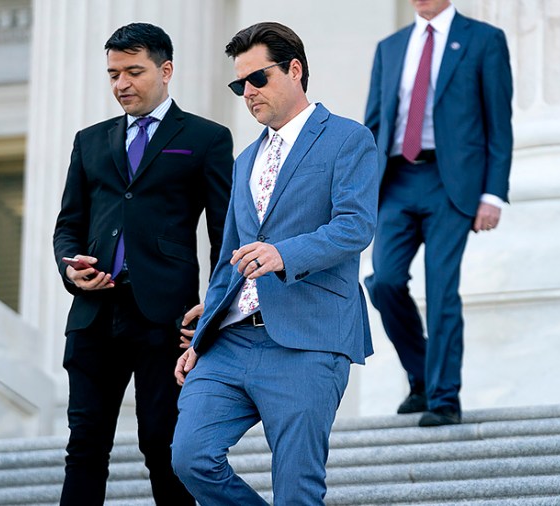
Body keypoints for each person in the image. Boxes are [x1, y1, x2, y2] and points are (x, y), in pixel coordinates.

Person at [170, 22, 378, 505]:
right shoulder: (244, 161)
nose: (247, 92)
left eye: (257, 78)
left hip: (309, 338)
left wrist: (285, 253)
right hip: (233, 340)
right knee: (190, 456)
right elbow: (230, 257)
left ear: (295, 70)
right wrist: (204, 335)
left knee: (296, 489)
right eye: (238, 84)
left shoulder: (348, 139)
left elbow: (355, 227)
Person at [52, 22, 233, 504]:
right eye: (113, 74)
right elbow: (68, 225)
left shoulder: (207, 138)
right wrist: (70, 269)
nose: (121, 84)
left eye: (133, 72)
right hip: (93, 317)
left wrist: (213, 315)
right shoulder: (89, 141)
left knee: (163, 445)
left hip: (165, 319)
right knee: (85, 445)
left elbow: (225, 237)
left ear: (166, 69)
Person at [363, 0, 513, 426]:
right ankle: (425, 374)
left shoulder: (485, 40)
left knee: (442, 289)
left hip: (453, 185)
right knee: (384, 281)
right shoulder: (389, 48)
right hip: (396, 182)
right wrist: (357, 190)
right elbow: (373, 124)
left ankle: (444, 396)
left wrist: (493, 194)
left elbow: (498, 123)